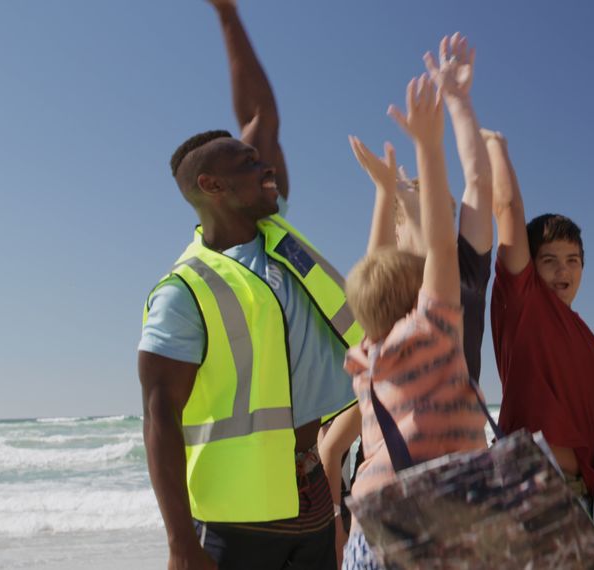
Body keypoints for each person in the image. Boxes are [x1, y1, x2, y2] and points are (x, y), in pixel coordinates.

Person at [137, 2, 361, 569]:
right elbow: (159, 417)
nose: (267, 169)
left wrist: (228, 12)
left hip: (313, 495)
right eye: (248, 163)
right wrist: (180, 543)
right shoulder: (183, 291)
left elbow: (261, 113)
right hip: (238, 523)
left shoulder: (277, 234)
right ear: (212, 185)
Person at [340, 74, 490, 570]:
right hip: (439, 521)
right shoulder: (434, 326)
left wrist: (386, 193)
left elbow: (374, 267)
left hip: (374, 523)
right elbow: (439, 251)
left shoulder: (364, 355)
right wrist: (428, 145)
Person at [486, 129, 594, 505]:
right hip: (532, 488)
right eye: (549, 261)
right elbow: (509, 211)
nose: (563, 271)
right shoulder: (525, 306)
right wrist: (496, 150)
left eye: (572, 261)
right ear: (530, 266)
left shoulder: (590, 341)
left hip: (584, 494)